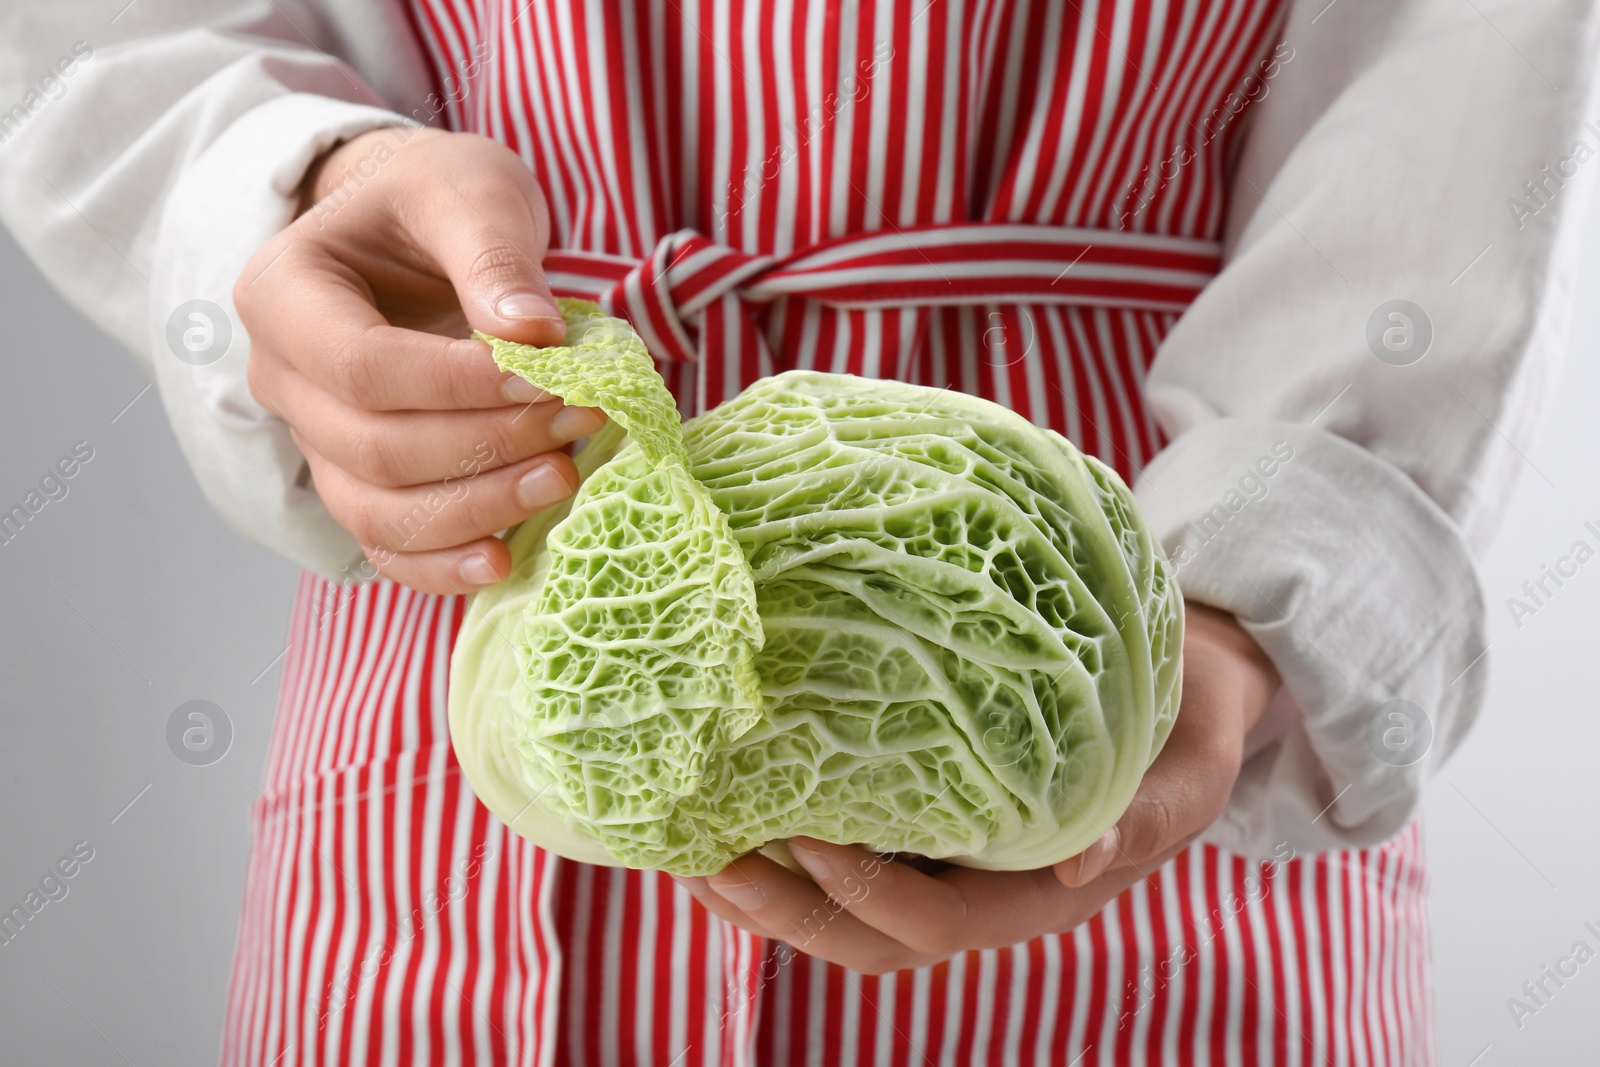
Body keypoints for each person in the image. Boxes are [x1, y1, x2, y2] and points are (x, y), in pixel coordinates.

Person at [3, 0, 1595, 1062]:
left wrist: (1250, 622)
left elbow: (1448, 75)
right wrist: (295, 197)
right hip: (482, 626)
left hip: (1168, 664)